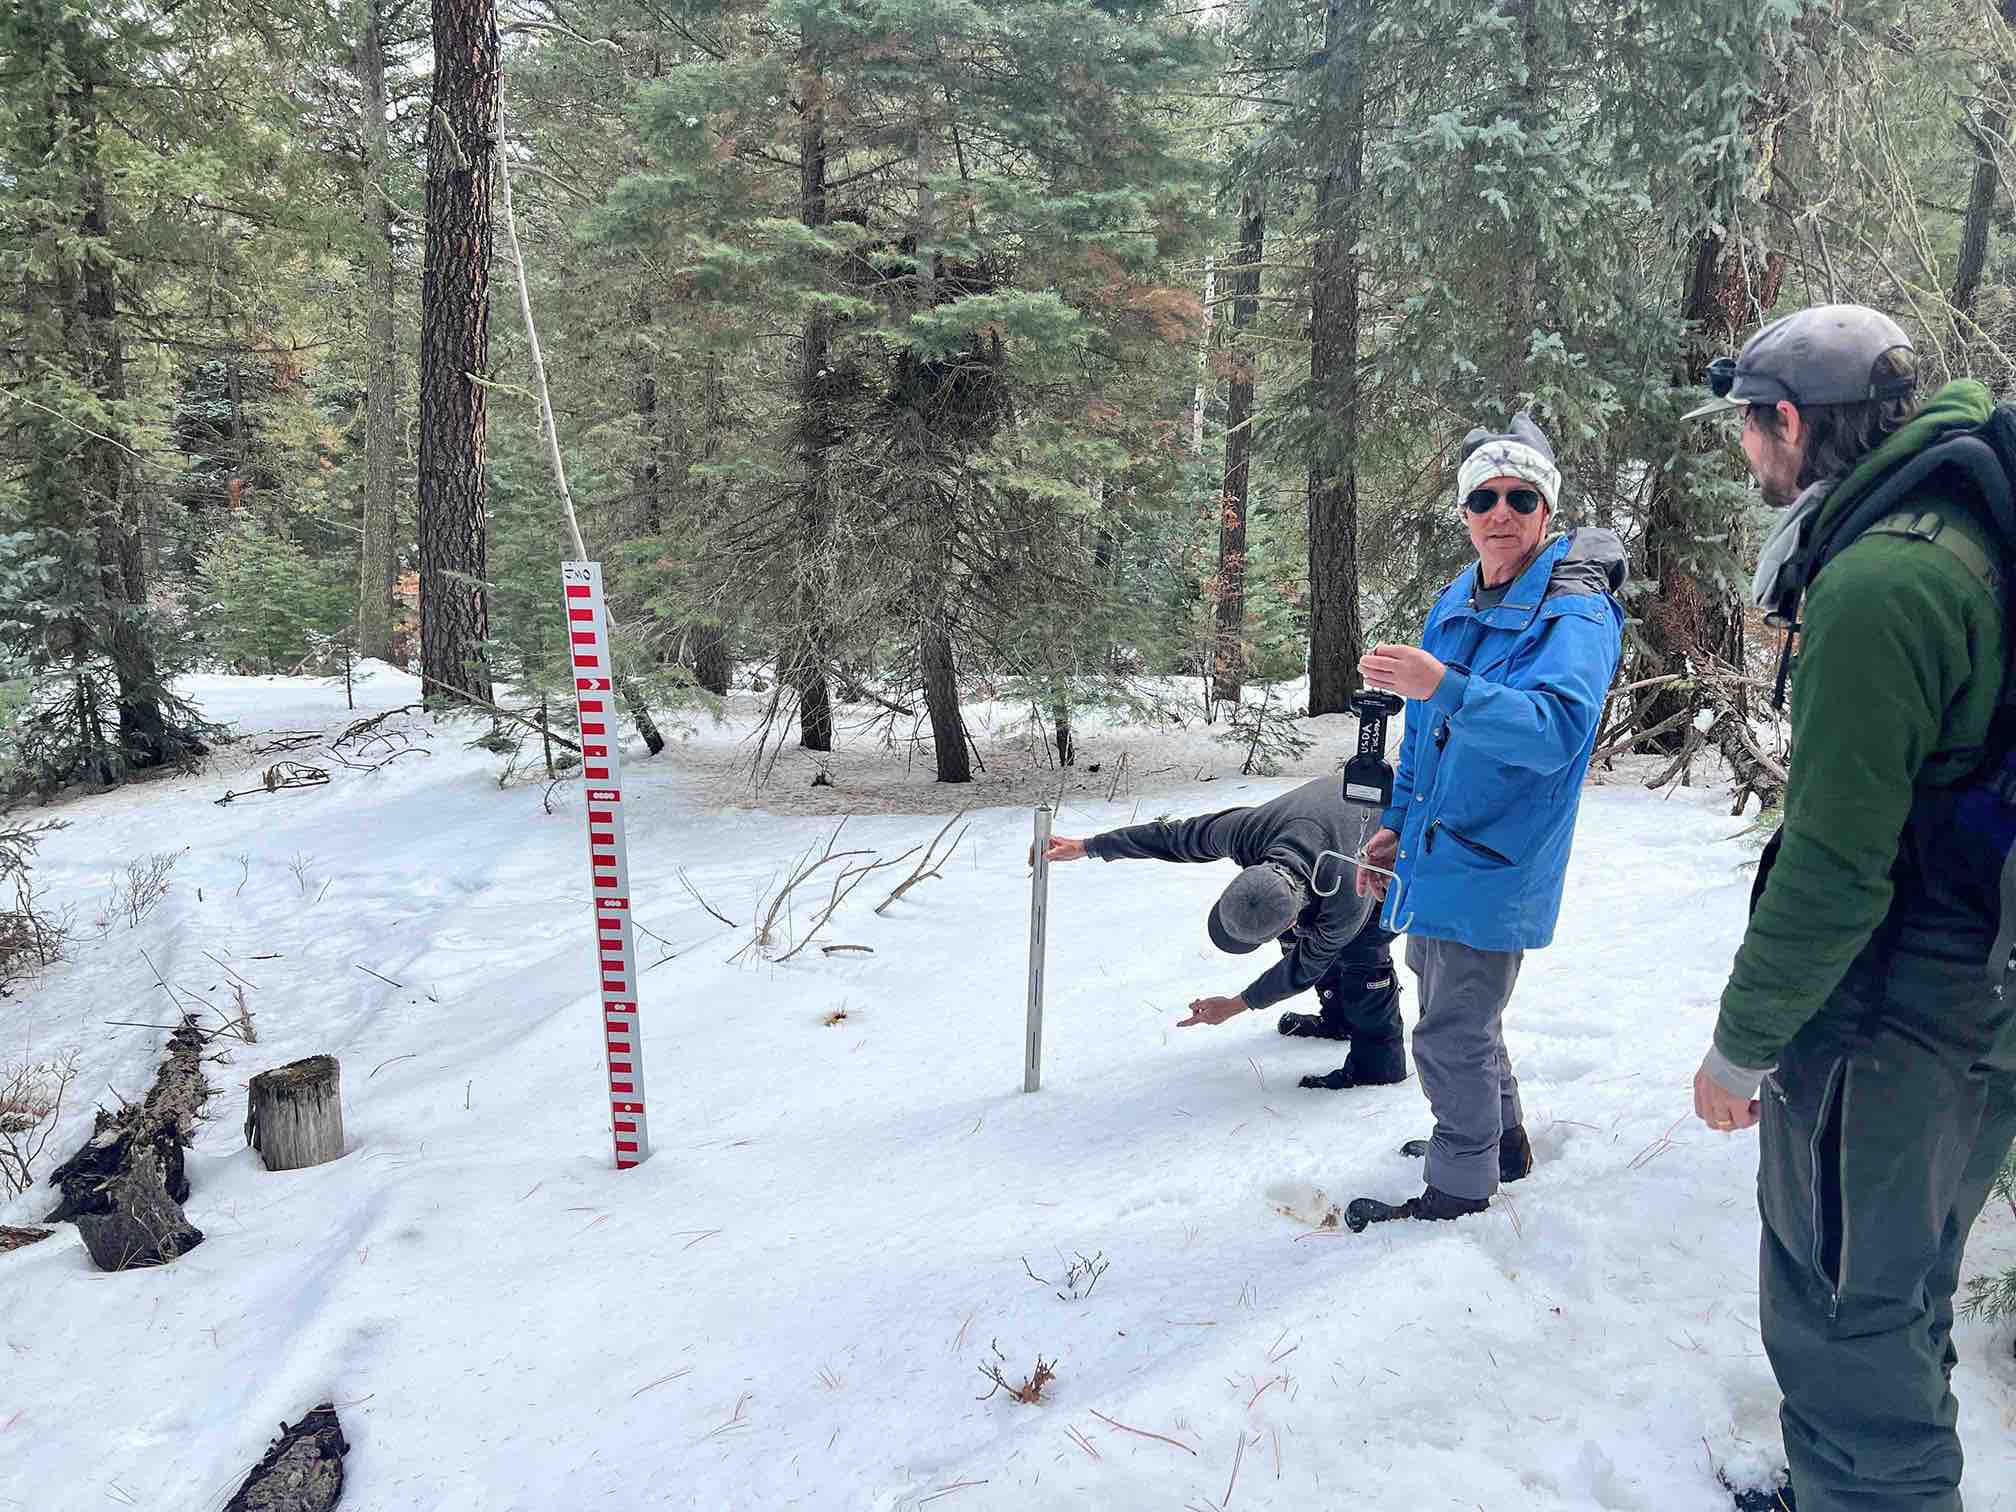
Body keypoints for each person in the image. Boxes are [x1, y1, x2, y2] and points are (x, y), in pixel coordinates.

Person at [1686, 303, 2016, 1512]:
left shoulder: (1885, 581)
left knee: (1842, 1315)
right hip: (1982, 992)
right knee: (1899, 1282)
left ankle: (1872, 1489)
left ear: (1788, 422)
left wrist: (1742, 1045)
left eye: (1748, 431)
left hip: (1896, 1011)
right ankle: (1855, 1480)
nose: (1747, 459)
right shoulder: (1971, 510)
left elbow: (1834, 867)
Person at [1341, 412, 1626, 1230]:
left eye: (1521, 498)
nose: (1501, 513)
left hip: (1499, 854)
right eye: (1484, 498)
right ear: (1464, 511)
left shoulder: (1574, 615)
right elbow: (1427, 736)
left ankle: (1459, 1188)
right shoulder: (1458, 597)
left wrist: (1447, 686)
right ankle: (1498, 1141)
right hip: (1435, 848)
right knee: (1454, 1004)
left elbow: (1556, 731)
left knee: (1450, 1032)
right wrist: (1393, 823)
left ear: (1547, 511)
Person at [1041, 777, 1406, 1090]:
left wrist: (1237, 1004)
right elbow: (1174, 837)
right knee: (1309, 939)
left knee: (1361, 956)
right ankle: (1339, 1020)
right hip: (1331, 818)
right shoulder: (1250, 831)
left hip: (1388, 846)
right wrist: (1089, 846)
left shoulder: (1346, 895)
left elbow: (1302, 968)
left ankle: (1378, 1067)